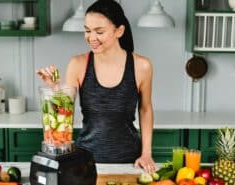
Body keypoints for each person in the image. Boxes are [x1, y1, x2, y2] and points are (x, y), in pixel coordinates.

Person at [37, 0, 157, 173]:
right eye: (87, 30)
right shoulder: (78, 64)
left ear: (119, 31)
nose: (91, 38)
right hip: (85, 161)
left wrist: (146, 153)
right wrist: (55, 88)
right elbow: (62, 115)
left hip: (130, 161)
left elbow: (145, 109)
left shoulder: (141, 66)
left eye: (99, 31)